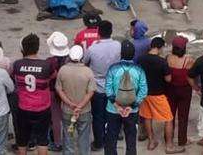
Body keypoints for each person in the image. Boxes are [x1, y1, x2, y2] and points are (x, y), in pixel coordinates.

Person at [105, 40, 147, 155]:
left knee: (111, 137)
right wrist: (133, 105)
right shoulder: (139, 69)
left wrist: (116, 105)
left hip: (113, 109)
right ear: (133, 54)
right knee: (131, 138)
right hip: (132, 110)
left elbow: (108, 88)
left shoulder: (113, 68)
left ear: (121, 54)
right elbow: (143, 90)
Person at [84, 20, 121, 151]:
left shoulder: (93, 48)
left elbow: (85, 63)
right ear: (111, 32)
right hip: (113, 87)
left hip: (98, 88)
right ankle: (112, 138)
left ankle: (99, 142)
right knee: (112, 114)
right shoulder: (118, 45)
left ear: (98, 32)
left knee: (98, 117)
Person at [55, 44, 95, 155]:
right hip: (84, 111)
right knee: (84, 138)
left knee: (68, 137)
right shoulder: (88, 72)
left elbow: (59, 89)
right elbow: (90, 92)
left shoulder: (62, 70)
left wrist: (70, 104)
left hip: (67, 110)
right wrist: (79, 106)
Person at [136, 37, 174, 151]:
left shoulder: (141, 59)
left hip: (144, 94)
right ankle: (169, 145)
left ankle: (151, 142)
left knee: (147, 117)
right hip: (158, 94)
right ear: (160, 47)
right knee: (168, 119)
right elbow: (168, 79)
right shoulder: (162, 62)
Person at [166, 36, 194, 149]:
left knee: (169, 115)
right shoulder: (189, 60)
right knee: (183, 116)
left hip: (171, 90)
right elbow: (192, 76)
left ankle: (168, 138)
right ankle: (182, 140)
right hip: (185, 91)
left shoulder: (168, 58)